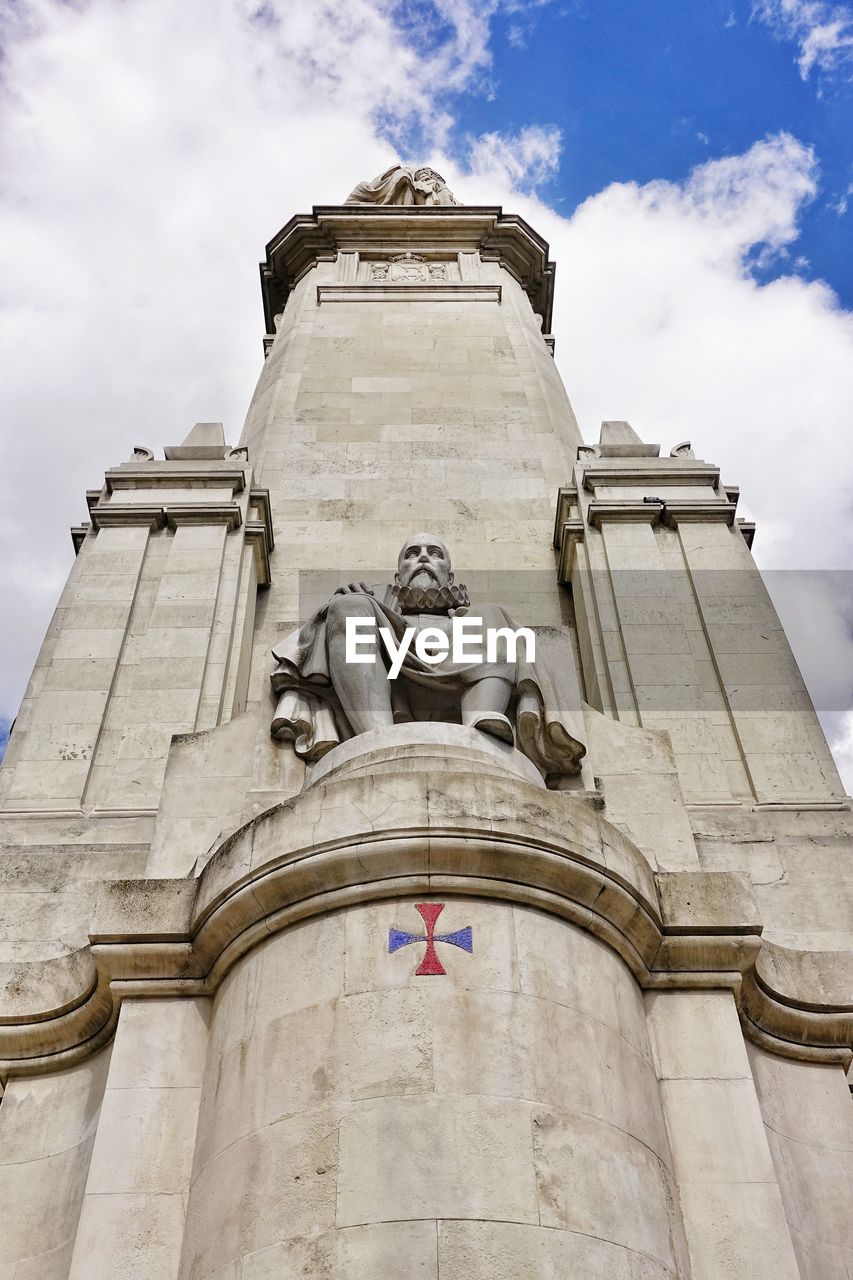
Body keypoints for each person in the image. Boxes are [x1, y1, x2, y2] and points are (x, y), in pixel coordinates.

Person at [270, 534, 585, 786]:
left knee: (491, 612)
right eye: (412, 553)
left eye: (434, 552)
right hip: (391, 685)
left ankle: (483, 722)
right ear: (398, 575)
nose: (422, 557)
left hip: (461, 684)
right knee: (348, 608)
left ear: (450, 574)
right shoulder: (376, 607)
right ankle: (376, 740)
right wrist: (340, 603)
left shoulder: (473, 618)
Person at [346, 164, 458, 206]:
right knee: (402, 177)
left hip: (431, 202)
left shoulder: (437, 186)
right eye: (424, 173)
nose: (426, 175)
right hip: (390, 193)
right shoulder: (406, 176)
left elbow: (447, 203)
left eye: (430, 174)